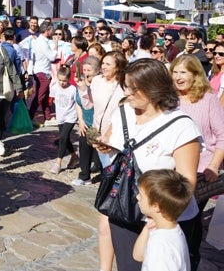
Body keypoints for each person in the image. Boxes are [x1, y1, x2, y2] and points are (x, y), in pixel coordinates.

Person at [95, 59, 201, 271]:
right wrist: (106, 146)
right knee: (129, 265)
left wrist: (158, 216)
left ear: (154, 89)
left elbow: (187, 181)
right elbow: (110, 139)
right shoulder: (123, 112)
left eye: (135, 90)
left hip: (161, 217)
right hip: (124, 205)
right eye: (126, 87)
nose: (128, 94)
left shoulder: (181, 127)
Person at [78, 50, 127, 271]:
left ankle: (114, 208)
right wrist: (82, 91)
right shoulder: (96, 81)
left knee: (114, 170)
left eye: (108, 63)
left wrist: (108, 136)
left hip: (115, 136)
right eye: (103, 63)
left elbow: (122, 113)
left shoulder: (124, 85)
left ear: (118, 66)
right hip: (98, 133)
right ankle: (111, 205)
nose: (103, 67)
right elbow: (89, 106)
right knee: (108, 171)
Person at [170, 54, 224, 256]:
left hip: (200, 170)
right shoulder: (170, 99)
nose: (178, 76)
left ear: (195, 75)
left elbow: (222, 135)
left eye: (183, 72)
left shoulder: (208, 99)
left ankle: (189, 259)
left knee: (189, 219)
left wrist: (214, 165)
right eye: (174, 71)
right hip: (171, 168)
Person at [133, 169, 193, 270]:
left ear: (156, 206)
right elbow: (138, 256)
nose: (137, 197)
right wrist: (147, 228)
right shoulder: (168, 228)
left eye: (141, 196)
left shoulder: (162, 245)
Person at [72, 56, 102, 186]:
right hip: (86, 123)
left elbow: (93, 104)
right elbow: (78, 102)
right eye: (84, 69)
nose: (86, 73)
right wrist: (81, 120)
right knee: (84, 149)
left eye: (89, 70)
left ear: (97, 71)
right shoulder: (81, 83)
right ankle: (84, 176)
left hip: (98, 124)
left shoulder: (99, 85)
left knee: (98, 153)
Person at [48, 66, 79, 173]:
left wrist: (79, 118)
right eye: (60, 80)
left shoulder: (73, 90)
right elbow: (53, 100)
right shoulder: (55, 87)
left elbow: (77, 103)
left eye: (64, 81)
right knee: (65, 139)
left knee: (62, 138)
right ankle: (74, 156)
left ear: (69, 79)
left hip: (71, 116)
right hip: (60, 116)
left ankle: (58, 163)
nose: (62, 83)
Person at [28, 22, 58, 127]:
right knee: (39, 97)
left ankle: (47, 117)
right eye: (52, 30)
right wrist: (56, 46)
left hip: (42, 72)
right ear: (47, 31)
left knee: (44, 97)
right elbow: (52, 57)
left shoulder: (40, 41)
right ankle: (29, 117)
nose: (53, 32)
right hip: (42, 73)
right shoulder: (42, 42)